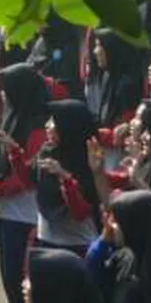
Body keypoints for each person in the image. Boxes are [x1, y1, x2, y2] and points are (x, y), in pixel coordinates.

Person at [0, 63, 49, 303]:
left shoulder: (38, 128)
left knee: (20, 281)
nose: (2, 95)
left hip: (25, 216)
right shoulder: (14, 116)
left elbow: (27, 179)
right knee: (9, 278)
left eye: (6, 90)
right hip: (5, 212)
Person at [34, 100, 104, 254]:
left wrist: (64, 177)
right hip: (45, 239)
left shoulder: (88, 160)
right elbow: (28, 180)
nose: (47, 125)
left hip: (77, 246)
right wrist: (12, 150)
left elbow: (80, 212)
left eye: (53, 121)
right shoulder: (47, 151)